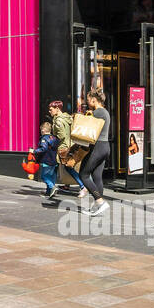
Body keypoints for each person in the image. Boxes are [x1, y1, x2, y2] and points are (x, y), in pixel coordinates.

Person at [80, 88, 112, 217]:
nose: (87, 102)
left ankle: (100, 202)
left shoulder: (98, 112)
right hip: (105, 147)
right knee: (97, 176)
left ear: (94, 100)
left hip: (98, 147)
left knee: (84, 175)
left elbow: (86, 127)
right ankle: (98, 205)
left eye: (88, 100)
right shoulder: (105, 112)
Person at [48, 100, 85, 199]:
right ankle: (65, 185)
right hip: (71, 145)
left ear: (57, 109)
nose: (49, 111)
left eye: (51, 109)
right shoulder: (67, 117)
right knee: (66, 167)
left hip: (63, 147)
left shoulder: (58, 121)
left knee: (66, 167)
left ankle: (82, 186)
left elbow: (61, 136)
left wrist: (52, 140)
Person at [32, 122, 61, 199]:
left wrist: (34, 151)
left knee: (44, 176)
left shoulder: (44, 139)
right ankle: (49, 192)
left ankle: (52, 187)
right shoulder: (54, 138)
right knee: (51, 177)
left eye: (41, 130)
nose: (40, 131)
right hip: (54, 161)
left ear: (43, 130)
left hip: (47, 160)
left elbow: (43, 148)